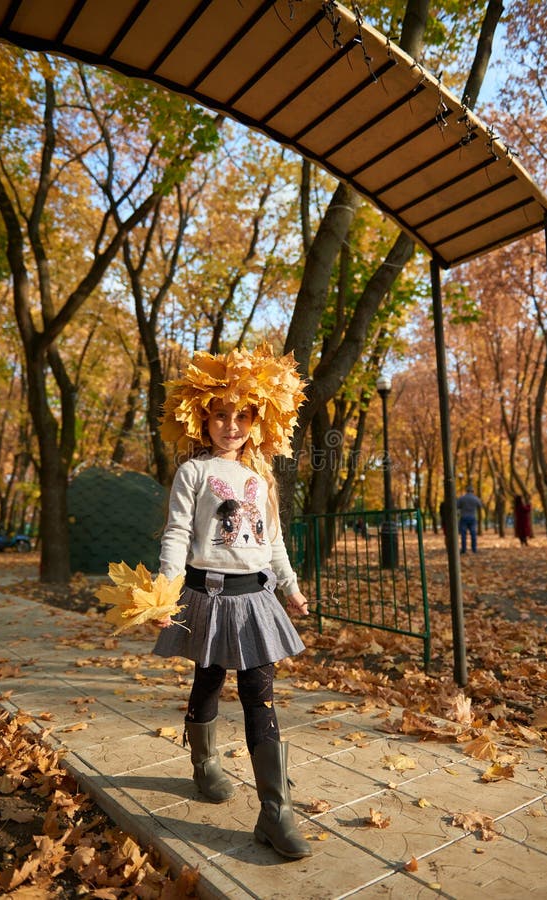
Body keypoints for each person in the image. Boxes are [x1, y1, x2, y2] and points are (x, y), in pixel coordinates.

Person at [152, 344, 312, 860]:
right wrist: (165, 588)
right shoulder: (193, 474)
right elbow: (177, 534)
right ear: (204, 420)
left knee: (258, 692)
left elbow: (274, 541)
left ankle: (275, 812)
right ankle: (204, 764)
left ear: (256, 422)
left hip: (256, 598)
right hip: (207, 596)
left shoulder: (261, 479)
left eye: (242, 415)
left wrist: (289, 586)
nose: (231, 425)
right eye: (221, 415)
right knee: (208, 679)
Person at [456, 484, 483, 554]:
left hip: (464, 517)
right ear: (472, 491)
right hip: (472, 517)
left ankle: (464, 549)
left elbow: (457, 506)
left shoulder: (462, 498)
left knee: (463, 534)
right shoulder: (475, 498)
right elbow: (480, 505)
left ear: (467, 491)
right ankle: (474, 549)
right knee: (473, 534)